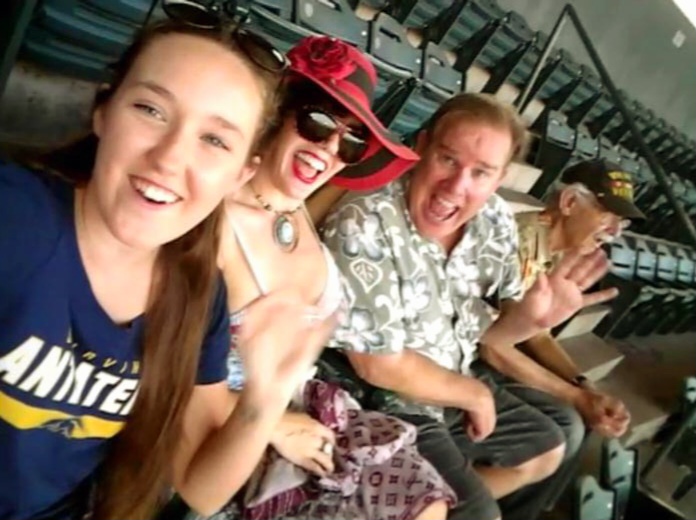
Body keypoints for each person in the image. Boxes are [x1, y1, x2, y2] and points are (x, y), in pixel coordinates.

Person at [0, 18, 330, 520]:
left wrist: (266, 398)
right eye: (151, 110)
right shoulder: (16, 218)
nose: (170, 158)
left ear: (240, 174)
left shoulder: (198, 297)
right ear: (103, 112)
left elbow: (197, 489)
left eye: (215, 140)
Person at [321, 93, 619, 520]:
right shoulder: (366, 218)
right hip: (387, 399)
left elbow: (495, 338)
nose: (458, 186)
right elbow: (376, 364)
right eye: (447, 159)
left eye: (481, 173)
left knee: (550, 444)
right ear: (421, 147)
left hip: (456, 373)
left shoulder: (493, 219)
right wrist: (475, 394)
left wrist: (531, 320)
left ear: (498, 179)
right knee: (479, 513)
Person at [209, 35, 454, 520]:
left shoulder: (298, 207)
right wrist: (270, 423)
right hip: (229, 427)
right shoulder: (212, 219)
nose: (330, 147)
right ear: (278, 114)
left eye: (353, 140)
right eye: (316, 122)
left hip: (311, 410)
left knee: (430, 506)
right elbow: (163, 365)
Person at [515, 158, 644, 437]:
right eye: (607, 215)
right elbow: (494, 343)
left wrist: (584, 385)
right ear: (570, 202)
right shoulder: (522, 239)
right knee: (564, 426)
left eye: (621, 223)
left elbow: (539, 335)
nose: (615, 232)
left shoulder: (563, 253)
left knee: (574, 423)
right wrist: (576, 396)